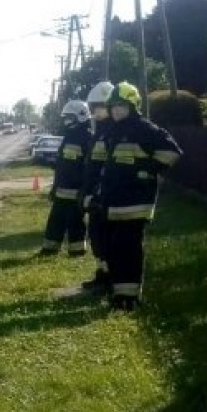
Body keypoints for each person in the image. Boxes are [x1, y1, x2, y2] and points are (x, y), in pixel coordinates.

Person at [97, 82, 183, 311]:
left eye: (121, 106)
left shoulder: (144, 128)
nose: (116, 110)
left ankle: (129, 298)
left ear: (133, 105)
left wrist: (146, 169)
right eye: (112, 106)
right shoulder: (114, 132)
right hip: (115, 202)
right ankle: (119, 293)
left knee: (128, 248)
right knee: (115, 248)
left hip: (136, 203)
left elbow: (172, 152)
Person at [39, 100, 92, 257]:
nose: (67, 121)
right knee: (55, 221)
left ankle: (77, 251)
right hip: (61, 190)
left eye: (70, 117)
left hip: (76, 192)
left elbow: (88, 166)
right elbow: (66, 162)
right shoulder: (69, 137)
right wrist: (55, 166)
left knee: (75, 222)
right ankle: (49, 248)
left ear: (81, 117)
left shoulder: (87, 138)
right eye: (66, 117)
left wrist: (85, 189)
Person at [79, 80, 117, 291]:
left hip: (108, 195)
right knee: (96, 235)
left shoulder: (115, 132)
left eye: (98, 107)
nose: (94, 112)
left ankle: (111, 277)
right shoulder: (99, 132)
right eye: (92, 107)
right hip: (95, 194)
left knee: (107, 237)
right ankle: (102, 273)